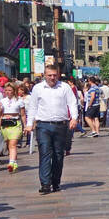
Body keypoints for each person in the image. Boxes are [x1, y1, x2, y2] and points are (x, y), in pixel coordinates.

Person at [28, 63, 79, 194]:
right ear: (44, 75)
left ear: (58, 75)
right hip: (43, 125)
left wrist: (74, 118)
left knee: (58, 155)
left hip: (60, 125)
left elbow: (72, 103)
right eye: (49, 75)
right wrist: (29, 123)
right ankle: (45, 183)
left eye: (54, 75)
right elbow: (32, 106)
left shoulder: (64, 87)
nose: (52, 78)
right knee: (45, 152)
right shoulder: (38, 88)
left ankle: (56, 181)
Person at [0, 81, 27, 172]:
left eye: (10, 90)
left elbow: (22, 114)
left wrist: (25, 125)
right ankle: (14, 162)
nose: (8, 92)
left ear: (14, 91)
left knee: (13, 144)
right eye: (6, 90)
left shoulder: (19, 101)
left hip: (15, 123)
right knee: (9, 144)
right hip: (5, 124)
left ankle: (11, 162)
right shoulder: (2, 101)